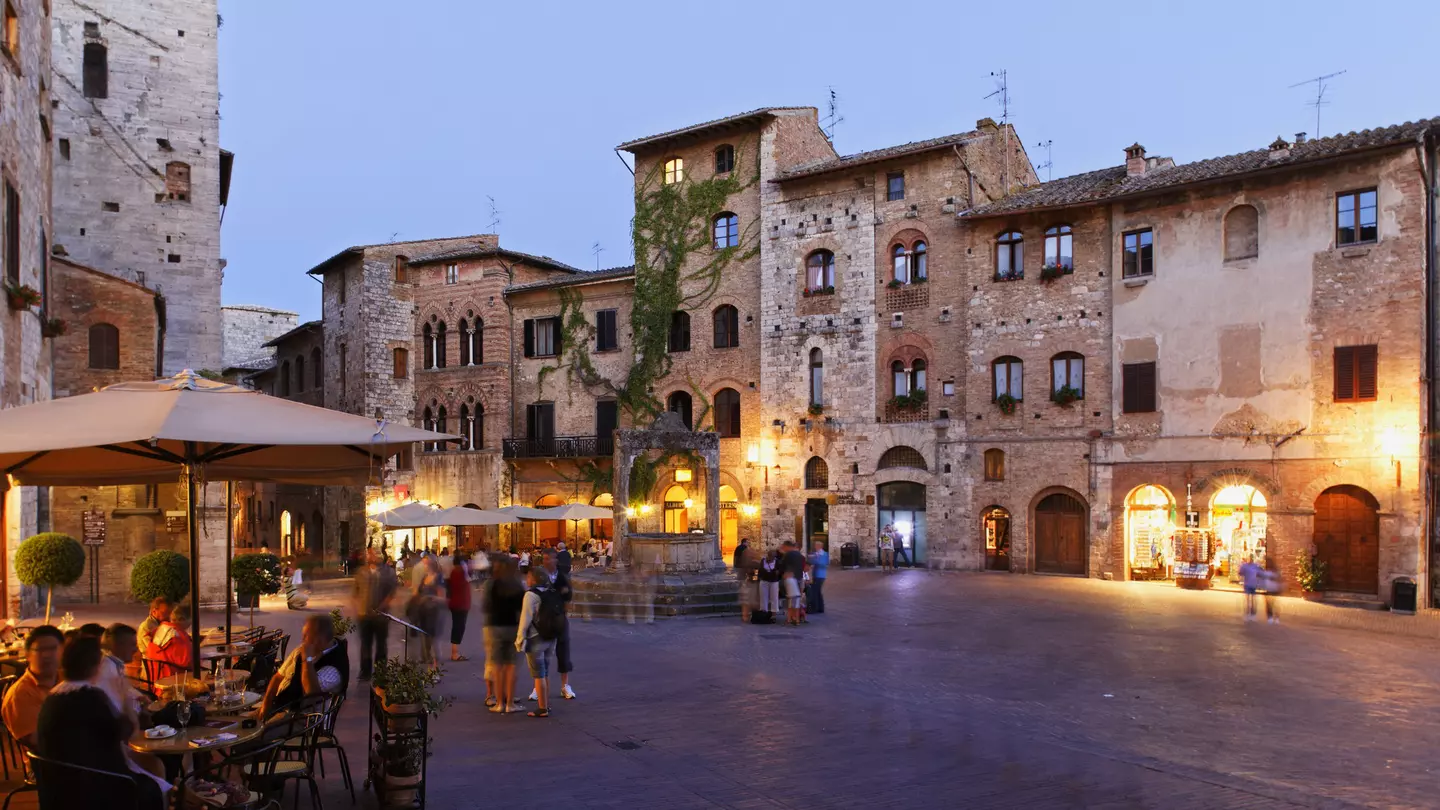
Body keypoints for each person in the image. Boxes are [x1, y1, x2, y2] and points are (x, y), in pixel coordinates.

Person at [37, 636, 168, 809]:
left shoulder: (53, 696)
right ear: (96, 667)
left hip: (58, 787)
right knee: (153, 787)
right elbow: (128, 733)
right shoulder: (90, 696)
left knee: (152, 770)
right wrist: (125, 701)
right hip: (95, 786)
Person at [258, 614, 349, 719]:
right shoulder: (302, 649)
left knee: (259, 734)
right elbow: (278, 676)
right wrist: (266, 704)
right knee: (243, 723)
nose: (303, 639)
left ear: (319, 639)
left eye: (306, 635)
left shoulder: (334, 667)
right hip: (279, 705)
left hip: (302, 719)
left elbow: (310, 691)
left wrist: (307, 659)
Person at [2, 625, 63, 748]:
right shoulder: (20, 695)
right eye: (40, 650)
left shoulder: (68, 679)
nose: (47, 655)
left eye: (53, 649)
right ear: (28, 655)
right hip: (53, 763)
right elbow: (39, 742)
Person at [515, 566, 563, 718]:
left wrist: (519, 639)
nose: (526, 579)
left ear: (533, 579)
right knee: (545, 672)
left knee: (538, 674)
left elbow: (525, 619)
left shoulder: (531, 595)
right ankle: (546, 704)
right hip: (550, 636)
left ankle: (542, 708)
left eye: (528, 577)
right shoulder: (551, 592)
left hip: (535, 637)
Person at [532, 551, 576, 700]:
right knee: (542, 654)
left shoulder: (562, 576)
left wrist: (564, 595)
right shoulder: (539, 575)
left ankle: (565, 685)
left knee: (563, 651)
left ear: (555, 560)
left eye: (548, 558)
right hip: (543, 618)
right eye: (544, 559)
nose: (546, 561)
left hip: (559, 617)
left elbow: (568, 594)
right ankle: (538, 686)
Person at [482, 556, 524, 713]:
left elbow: (486, 606)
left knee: (497, 666)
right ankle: (510, 703)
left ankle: (499, 703)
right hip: (512, 626)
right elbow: (522, 606)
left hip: (494, 626)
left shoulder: (492, 584)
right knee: (511, 666)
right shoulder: (516, 585)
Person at [353, 549, 398, 680]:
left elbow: (392, 592)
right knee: (365, 643)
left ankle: (380, 671)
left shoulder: (388, 572)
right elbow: (356, 592)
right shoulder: (361, 572)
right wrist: (358, 607)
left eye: (374, 555)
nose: (371, 557)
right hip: (364, 614)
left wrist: (382, 606)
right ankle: (365, 671)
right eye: (369, 554)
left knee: (381, 644)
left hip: (381, 615)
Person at [145, 604, 193, 685]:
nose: (191, 624)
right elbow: (188, 662)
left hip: (156, 679)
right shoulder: (177, 636)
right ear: (182, 619)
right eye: (191, 621)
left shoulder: (160, 628)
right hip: (173, 681)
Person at [447, 551, 473, 662]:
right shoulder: (462, 572)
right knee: (459, 627)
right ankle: (454, 653)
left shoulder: (454, 572)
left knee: (456, 626)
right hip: (461, 604)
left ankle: (454, 651)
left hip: (454, 603)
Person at [780, 541, 807, 626]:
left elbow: (782, 566)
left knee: (792, 600)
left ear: (787, 546)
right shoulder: (800, 556)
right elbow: (803, 567)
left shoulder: (788, 555)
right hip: (799, 578)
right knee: (796, 600)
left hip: (790, 579)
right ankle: (795, 618)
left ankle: (792, 619)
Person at [758, 549, 781, 620]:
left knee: (774, 598)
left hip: (774, 581)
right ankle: (764, 612)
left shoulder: (777, 562)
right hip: (764, 581)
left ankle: (773, 614)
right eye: (771, 556)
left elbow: (779, 571)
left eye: (773, 557)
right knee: (763, 597)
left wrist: (777, 573)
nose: (772, 558)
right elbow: (760, 570)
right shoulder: (763, 561)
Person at [733, 537, 753, 623]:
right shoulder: (745, 549)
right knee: (743, 579)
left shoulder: (737, 547)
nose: (748, 543)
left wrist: (735, 564)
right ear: (744, 542)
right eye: (748, 542)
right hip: (743, 566)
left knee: (740, 578)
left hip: (739, 566)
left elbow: (736, 556)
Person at [1239, 555, 1263, 622]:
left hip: (1250, 584)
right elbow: (1260, 573)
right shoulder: (1254, 566)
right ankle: (1251, 615)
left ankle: (1250, 614)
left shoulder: (1247, 566)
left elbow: (1240, 573)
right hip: (1251, 584)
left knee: (1250, 600)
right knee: (1251, 600)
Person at [808, 541, 829, 615]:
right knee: (818, 591)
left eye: (816, 545)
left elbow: (823, 563)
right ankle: (820, 608)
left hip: (820, 575)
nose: (815, 547)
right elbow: (810, 561)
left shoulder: (824, 554)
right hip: (816, 575)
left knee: (815, 591)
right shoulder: (816, 554)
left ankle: (815, 608)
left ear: (820, 546)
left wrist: (815, 559)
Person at [1261, 555, 1283, 625]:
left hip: (1273, 588)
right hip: (1270, 588)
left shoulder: (1274, 571)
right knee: (1270, 604)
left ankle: (1273, 618)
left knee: (1272, 604)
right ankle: (1272, 618)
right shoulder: (1270, 571)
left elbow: (1278, 579)